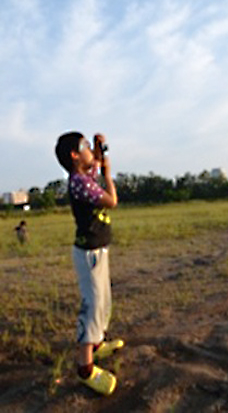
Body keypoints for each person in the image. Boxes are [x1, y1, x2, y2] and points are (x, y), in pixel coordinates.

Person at [55, 132, 124, 396]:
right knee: (93, 306)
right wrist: (108, 176)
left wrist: (99, 151)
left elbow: (95, 163)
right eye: (84, 147)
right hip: (88, 254)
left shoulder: (83, 177)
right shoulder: (79, 183)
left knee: (104, 300)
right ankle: (85, 368)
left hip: (98, 249)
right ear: (74, 155)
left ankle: (95, 344)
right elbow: (111, 201)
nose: (91, 153)